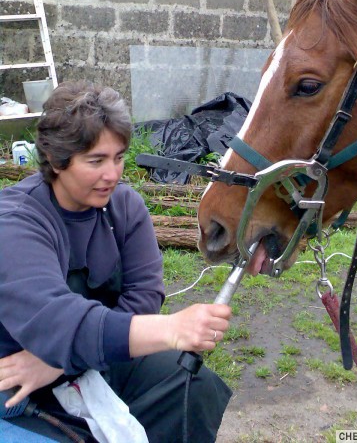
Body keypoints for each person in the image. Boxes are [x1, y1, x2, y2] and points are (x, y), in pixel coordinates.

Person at [0, 80, 232, 442]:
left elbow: (145, 298)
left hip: (78, 357)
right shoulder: (16, 221)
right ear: (57, 160)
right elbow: (58, 323)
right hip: (18, 374)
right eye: (96, 161)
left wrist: (58, 362)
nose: (112, 174)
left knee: (193, 387)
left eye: (119, 157)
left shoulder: (125, 206)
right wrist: (170, 330)